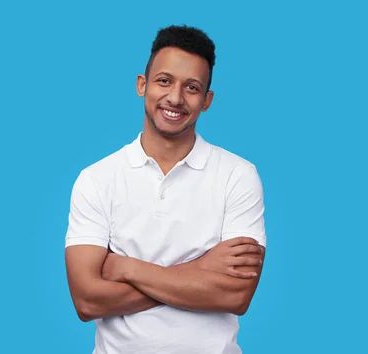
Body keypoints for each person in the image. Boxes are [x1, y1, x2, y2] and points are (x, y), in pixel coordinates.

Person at [64, 24, 267, 354]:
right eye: (164, 81)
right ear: (142, 85)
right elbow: (87, 301)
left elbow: (235, 296)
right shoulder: (97, 179)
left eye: (191, 87)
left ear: (207, 101)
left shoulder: (238, 176)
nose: (175, 97)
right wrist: (201, 269)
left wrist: (126, 268)